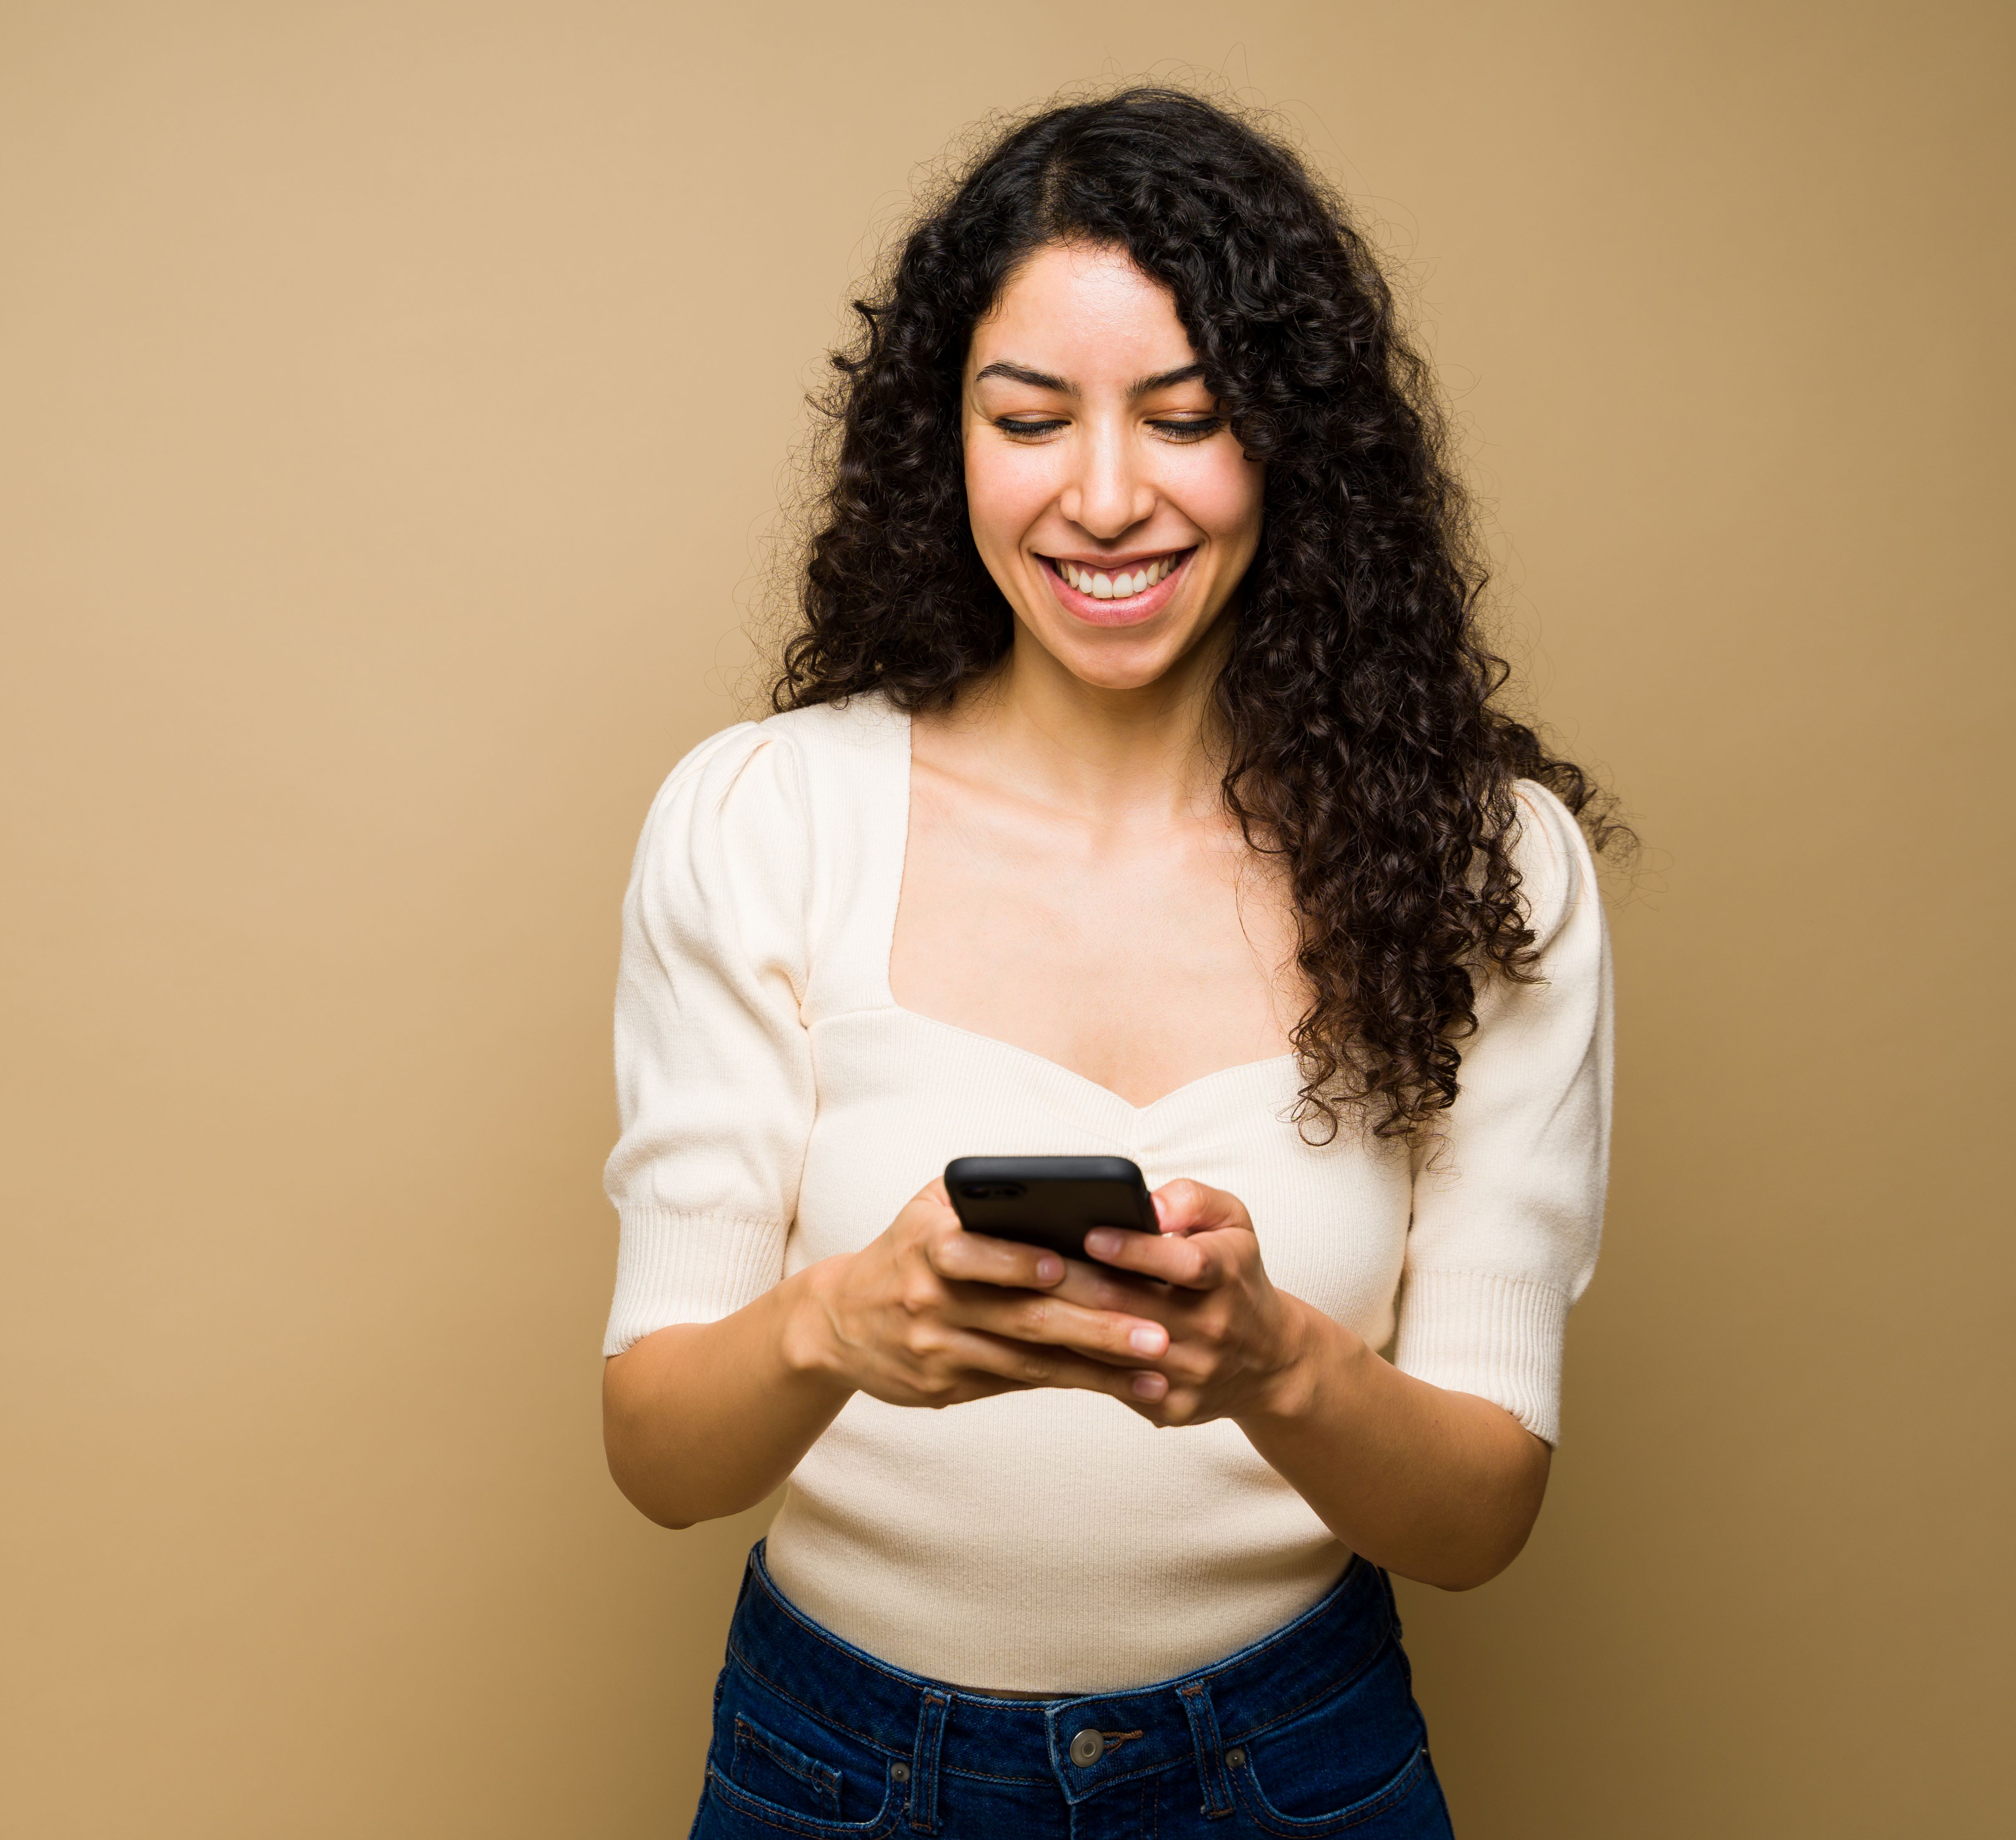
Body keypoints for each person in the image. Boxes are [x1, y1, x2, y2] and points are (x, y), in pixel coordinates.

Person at [600, 87, 1621, 1839]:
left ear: (1288, 442)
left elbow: (1478, 1520)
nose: (1104, 496)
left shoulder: (1486, 869)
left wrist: (1276, 1363)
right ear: (950, 443)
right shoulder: (764, 820)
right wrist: (840, 1316)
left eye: (1186, 416)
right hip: (835, 1771)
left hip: (1294, 1767)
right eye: (1029, 418)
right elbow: (661, 1453)